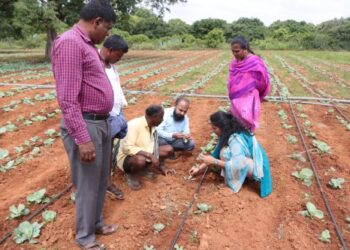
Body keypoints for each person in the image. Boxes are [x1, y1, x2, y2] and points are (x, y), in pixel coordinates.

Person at [51, 1, 117, 249]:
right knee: (88, 184)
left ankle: (97, 222)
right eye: (107, 28)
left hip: (100, 122)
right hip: (85, 124)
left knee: (100, 179)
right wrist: (82, 137)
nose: (107, 35)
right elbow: (67, 99)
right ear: (97, 21)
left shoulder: (86, 44)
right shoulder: (69, 43)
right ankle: (85, 237)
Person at [189, 111, 272, 198]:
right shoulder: (227, 133)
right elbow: (215, 153)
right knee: (223, 151)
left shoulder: (235, 138)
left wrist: (214, 161)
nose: (213, 131)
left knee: (225, 153)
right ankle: (240, 178)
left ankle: (232, 185)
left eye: (214, 128)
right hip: (249, 163)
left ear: (222, 128)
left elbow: (237, 164)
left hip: (259, 170)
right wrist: (198, 168)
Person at [117, 105, 174, 190]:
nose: (162, 120)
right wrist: (150, 156)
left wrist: (161, 167)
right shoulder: (134, 125)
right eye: (161, 117)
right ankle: (130, 175)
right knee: (140, 160)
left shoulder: (153, 126)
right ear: (154, 117)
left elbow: (154, 147)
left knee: (168, 149)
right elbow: (127, 148)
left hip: (145, 154)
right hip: (128, 158)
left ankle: (142, 170)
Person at [99, 35, 129, 200]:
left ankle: (107, 182)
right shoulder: (94, 63)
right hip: (97, 117)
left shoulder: (111, 66)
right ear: (109, 50)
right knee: (95, 152)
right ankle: (85, 186)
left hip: (113, 113)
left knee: (108, 150)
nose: (118, 59)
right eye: (118, 55)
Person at [228, 36, 270, 132]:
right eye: (233, 51)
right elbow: (232, 78)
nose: (234, 54)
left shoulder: (254, 61)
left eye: (237, 51)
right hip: (236, 95)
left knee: (246, 118)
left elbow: (262, 79)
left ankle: (248, 137)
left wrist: (260, 93)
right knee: (236, 117)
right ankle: (238, 137)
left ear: (245, 49)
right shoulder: (234, 62)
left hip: (249, 95)